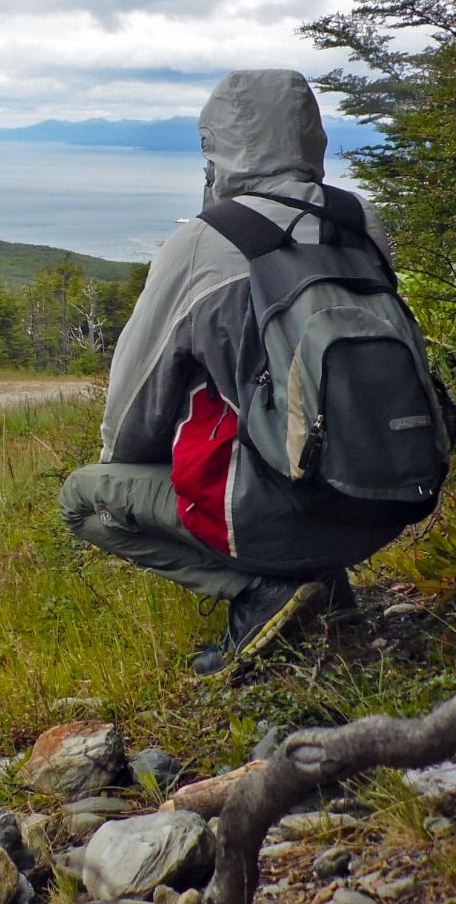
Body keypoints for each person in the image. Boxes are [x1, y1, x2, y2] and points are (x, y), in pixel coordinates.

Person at [59, 69, 402, 676]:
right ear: (310, 136)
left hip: (269, 515)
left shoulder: (205, 239)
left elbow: (136, 403)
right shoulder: (360, 219)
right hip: (388, 502)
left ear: (216, 145)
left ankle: (260, 594)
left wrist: (127, 463)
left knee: (84, 498)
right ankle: (329, 590)